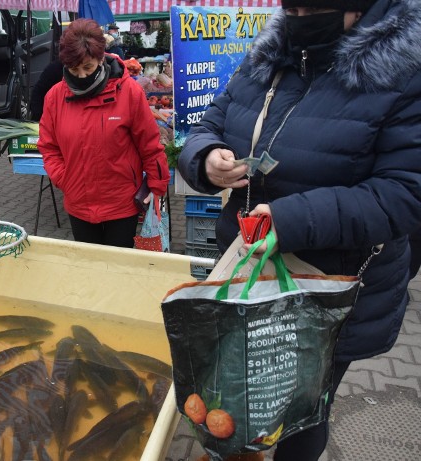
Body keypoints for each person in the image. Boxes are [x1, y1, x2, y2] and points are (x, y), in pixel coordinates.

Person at [178, 0, 421, 460]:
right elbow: (210, 122)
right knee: (231, 390)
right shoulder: (266, 57)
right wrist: (206, 158)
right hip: (247, 271)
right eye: (293, 9)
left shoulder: (405, 73)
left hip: (326, 289)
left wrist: (292, 220)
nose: (302, 23)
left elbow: (407, 193)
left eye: (318, 11)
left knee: (303, 412)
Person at [38, 18, 170, 248]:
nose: (81, 76)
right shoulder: (54, 97)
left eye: (87, 68)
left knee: (118, 268)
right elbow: (48, 147)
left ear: (101, 58)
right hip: (78, 201)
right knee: (90, 268)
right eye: (73, 69)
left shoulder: (128, 92)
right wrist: (64, 178)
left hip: (122, 203)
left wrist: (157, 186)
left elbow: (149, 143)